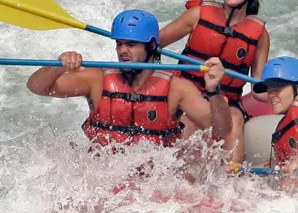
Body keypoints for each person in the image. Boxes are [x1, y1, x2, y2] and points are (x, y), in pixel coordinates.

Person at [27, 9, 232, 150]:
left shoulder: (177, 88)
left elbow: (221, 130)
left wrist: (213, 90)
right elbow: (36, 87)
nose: (123, 51)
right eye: (120, 44)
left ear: (151, 46)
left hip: (154, 179)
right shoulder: (96, 79)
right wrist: (57, 67)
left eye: (132, 45)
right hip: (103, 172)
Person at [159, 0, 270, 163]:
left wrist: (284, 93)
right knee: (189, 122)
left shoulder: (260, 35)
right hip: (187, 93)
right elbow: (154, 45)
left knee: (234, 120)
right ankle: (175, 174)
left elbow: (257, 85)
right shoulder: (197, 14)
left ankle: (231, 176)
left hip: (226, 100)